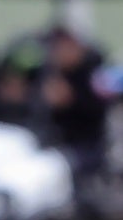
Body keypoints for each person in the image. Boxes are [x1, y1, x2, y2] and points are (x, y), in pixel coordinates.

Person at [40, 26, 109, 180]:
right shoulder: (53, 74)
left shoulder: (92, 75)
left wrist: (71, 100)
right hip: (57, 141)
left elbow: (99, 109)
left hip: (87, 144)